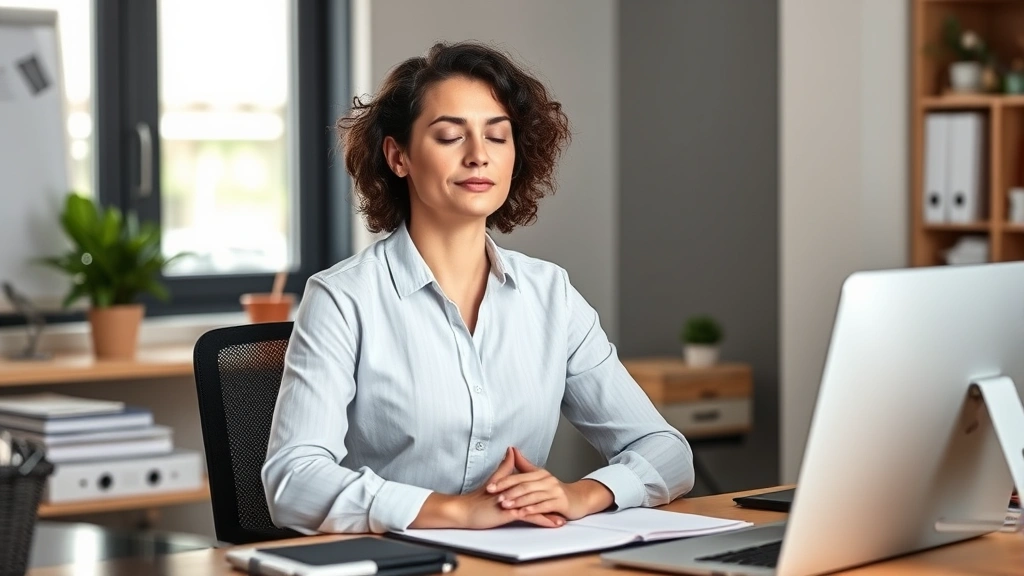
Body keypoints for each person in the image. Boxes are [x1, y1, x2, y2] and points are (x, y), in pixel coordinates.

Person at [262, 41, 694, 535]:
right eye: (449, 136)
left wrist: (579, 495)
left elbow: (667, 451)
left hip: (520, 560)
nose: (478, 156)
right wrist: (456, 511)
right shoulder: (343, 299)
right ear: (398, 156)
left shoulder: (550, 294)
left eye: (498, 137)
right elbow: (293, 482)